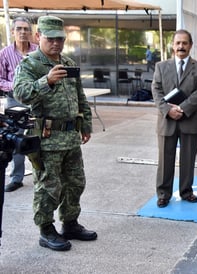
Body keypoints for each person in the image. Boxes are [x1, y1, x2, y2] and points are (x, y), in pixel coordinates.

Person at [13, 15, 97, 251]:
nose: (56, 44)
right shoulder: (30, 64)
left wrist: (86, 124)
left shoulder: (69, 63)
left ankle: (70, 223)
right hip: (47, 138)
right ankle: (46, 230)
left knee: (75, 183)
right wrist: (46, 81)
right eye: (51, 39)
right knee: (48, 186)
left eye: (60, 39)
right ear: (39, 36)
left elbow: (80, 96)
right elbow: (21, 93)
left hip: (71, 136)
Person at [151, 29, 197, 208]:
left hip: (190, 120)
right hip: (167, 121)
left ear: (190, 45)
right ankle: (163, 194)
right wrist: (168, 110)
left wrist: (182, 109)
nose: (181, 46)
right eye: (178, 43)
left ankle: (186, 192)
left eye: (184, 43)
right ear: (173, 46)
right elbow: (156, 91)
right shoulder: (161, 67)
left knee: (188, 159)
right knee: (165, 160)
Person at [0, 17, 37, 192]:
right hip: (15, 100)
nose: (22, 32)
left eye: (25, 29)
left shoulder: (38, 51)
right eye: (19, 29)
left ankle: (42, 176)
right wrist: (14, 86)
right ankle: (17, 178)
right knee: (15, 139)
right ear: (13, 31)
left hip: (37, 99)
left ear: (30, 32)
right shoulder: (5, 53)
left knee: (41, 137)